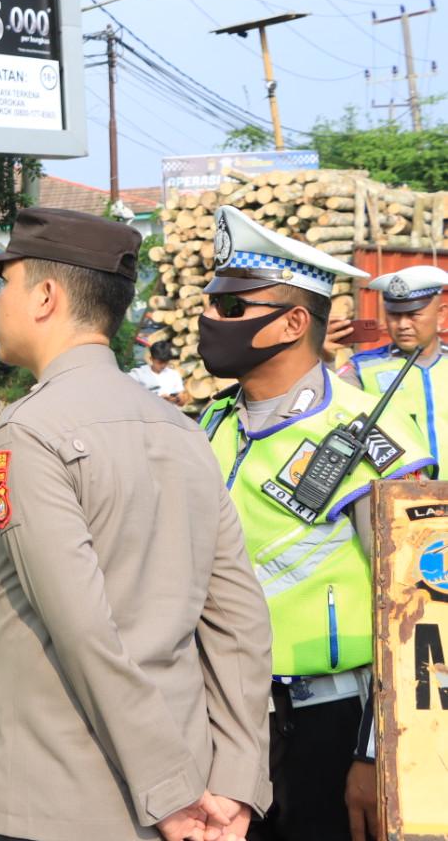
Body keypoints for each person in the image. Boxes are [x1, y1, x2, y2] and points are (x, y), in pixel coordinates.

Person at [0, 207, 273, 841]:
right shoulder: (183, 431)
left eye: (6, 283)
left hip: (68, 799)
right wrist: (238, 781)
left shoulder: (28, 432)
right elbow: (239, 621)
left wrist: (170, 795)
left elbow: (85, 631)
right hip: (192, 791)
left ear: (46, 297)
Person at [194, 206, 434, 841]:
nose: (210, 321)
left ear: (293, 323)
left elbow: (427, 607)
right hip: (220, 720)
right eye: (212, 304)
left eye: (233, 308)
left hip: (331, 727)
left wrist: (380, 754)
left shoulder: (373, 441)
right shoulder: (207, 424)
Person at [334, 264, 448, 467]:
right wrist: (324, 357)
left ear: (440, 315)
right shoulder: (361, 368)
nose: (403, 324)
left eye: (413, 315)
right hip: (397, 494)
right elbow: (333, 413)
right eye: (395, 315)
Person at [130, 340, 186, 404]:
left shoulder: (174, 375)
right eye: (160, 363)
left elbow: (182, 401)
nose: (163, 365)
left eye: (165, 362)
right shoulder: (139, 374)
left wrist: (172, 399)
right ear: (151, 359)